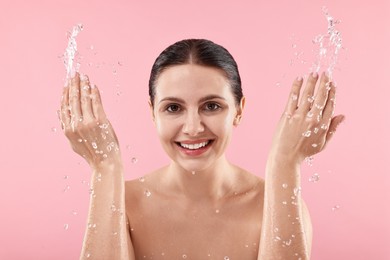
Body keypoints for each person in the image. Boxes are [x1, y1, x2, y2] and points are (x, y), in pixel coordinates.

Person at [60, 39, 344, 260]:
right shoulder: (123, 203)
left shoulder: (270, 205)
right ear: (152, 113)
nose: (193, 127)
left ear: (238, 110)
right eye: (173, 108)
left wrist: (285, 162)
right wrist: (105, 167)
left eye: (212, 106)